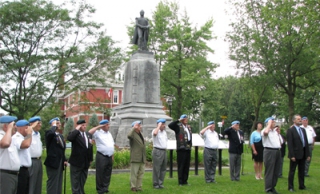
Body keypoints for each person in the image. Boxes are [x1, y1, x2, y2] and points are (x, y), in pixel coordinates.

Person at [88, 119, 115, 194]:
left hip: (109, 156)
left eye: (108, 124)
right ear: (103, 126)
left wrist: (112, 155)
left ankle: (105, 187)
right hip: (101, 156)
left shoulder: (109, 134)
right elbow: (89, 132)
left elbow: (111, 144)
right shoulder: (97, 133)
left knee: (107, 173)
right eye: (107, 125)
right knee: (100, 173)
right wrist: (99, 126)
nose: (108, 126)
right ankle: (100, 189)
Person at [68, 119, 93, 194]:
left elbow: (90, 147)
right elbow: (70, 138)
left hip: (85, 162)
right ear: (78, 126)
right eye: (82, 125)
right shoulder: (75, 134)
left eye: (85, 125)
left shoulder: (88, 135)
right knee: (75, 180)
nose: (85, 126)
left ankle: (81, 192)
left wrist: (90, 159)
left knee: (83, 179)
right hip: (76, 162)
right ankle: (76, 192)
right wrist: (76, 129)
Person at [287, 114, 310, 192]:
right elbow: (290, 144)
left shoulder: (302, 130)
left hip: (303, 153)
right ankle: (290, 187)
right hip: (295, 154)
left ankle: (302, 185)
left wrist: (308, 154)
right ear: (294, 120)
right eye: (298, 119)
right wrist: (292, 155)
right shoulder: (291, 130)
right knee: (292, 171)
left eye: (300, 119)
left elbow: (305, 142)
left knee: (302, 170)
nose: (300, 120)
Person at [44, 117, 67, 194]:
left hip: (59, 161)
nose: (59, 125)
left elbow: (61, 149)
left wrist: (64, 159)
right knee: (53, 182)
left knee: (58, 181)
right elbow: (50, 134)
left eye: (59, 123)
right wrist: (53, 126)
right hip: (53, 162)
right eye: (57, 123)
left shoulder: (60, 136)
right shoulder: (49, 133)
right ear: (52, 125)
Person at [168, 114, 192, 186]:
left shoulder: (188, 127)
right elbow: (170, 125)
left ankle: (185, 180)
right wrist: (178, 120)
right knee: (181, 165)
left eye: (186, 118)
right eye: (184, 118)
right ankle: (180, 181)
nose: (186, 119)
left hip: (188, 148)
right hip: (181, 149)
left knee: (186, 165)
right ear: (181, 120)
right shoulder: (178, 127)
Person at [12, 120, 33, 194]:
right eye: (26, 128)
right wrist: (29, 134)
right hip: (20, 171)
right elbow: (25, 145)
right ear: (20, 129)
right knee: (20, 191)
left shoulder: (23, 137)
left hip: (25, 170)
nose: (28, 130)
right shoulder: (16, 137)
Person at [261, 117, 281, 194]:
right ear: (268, 123)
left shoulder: (275, 132)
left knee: (276, 171)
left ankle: (273, 187)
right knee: (270, 171)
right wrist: (269, 125)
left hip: (277, 151)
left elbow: (281, 142)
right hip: (269, 151)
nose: (274, 123)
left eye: (274, 122)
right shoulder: (265, 130)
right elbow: (265, 133)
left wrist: (279, 133)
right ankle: (268, 188)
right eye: (272, 122)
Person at [0, 115, 20, 194]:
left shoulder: (10, 137)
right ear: (5, 126)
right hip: (4, 175)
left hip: (12, 175)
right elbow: (5, 143)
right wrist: (9, 129)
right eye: (13, 125)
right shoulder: (1, 136)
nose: (15, 127)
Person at [128, 121, 146, 192]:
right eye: (138, 125)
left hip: (142, 157)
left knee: (141, 173)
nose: (140, 126)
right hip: (135, 157)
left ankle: (139, 187)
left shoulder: (140, 134)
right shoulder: (132, 134)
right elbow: (128, 136)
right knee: (134, 173)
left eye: (140, 125)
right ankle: (133, 187)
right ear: (135, 127)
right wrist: (133, 128)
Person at [28, 116, 43, 194]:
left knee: (38, 183)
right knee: (32, 184)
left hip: (39, 160)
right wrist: (30, 128)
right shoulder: (28, 134)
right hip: (31, 161)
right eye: (38, 123)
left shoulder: (38, 134)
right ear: (32, 124)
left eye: (40, 123)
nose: (40, 125)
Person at [152, 118, 168, 189]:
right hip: (157, 151)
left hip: (164, 151)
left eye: (164, 124)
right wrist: (158, 126)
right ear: (159, 124)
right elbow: (155, 133)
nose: (164, 126)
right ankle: (155, 183)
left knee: (163, 168)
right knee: (156, 168)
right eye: (162, 124)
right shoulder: (155, 131)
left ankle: (160, 183)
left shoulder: (164, 132)